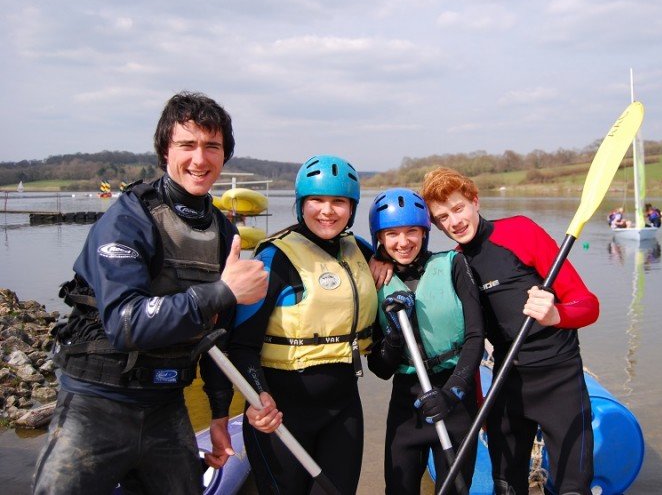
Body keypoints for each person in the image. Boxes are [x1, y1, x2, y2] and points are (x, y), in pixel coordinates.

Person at [33, 91, 270, 494]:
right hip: (97, 404)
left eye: (212, 146)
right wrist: (225, 290)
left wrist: (217, 416)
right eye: (187, 145)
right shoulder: (128, 219)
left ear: (224, 155)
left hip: (165, 404)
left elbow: (217, 337)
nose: (200, 159)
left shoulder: (223, 232)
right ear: (165, 151)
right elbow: (127, 324)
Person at [420, 167, 599, 495]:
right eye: (443, 217)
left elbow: (588, 305)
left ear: (475, 201)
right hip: (507, 382)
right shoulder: (454, 265)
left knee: (573, 488)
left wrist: (556, 313)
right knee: (505, 487)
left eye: (458, 208)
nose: (454, 221)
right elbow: (470, 342)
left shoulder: (520, 232)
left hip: (560, 379)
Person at [228, 155, 379, 495]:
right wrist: (257, 396)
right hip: (281, 413)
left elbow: (402, 264)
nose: (327, 211)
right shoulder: (274, 258)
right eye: (317, 200)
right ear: (301, 204)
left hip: (343, 410)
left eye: (339, 201)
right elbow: (241, 344)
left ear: (352, 208)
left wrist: (384, 263)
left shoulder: (361, 251)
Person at [366, 188, 484, 495]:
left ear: (424, 233)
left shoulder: (454, 265)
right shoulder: (376, 281)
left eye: (411, 232)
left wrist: (452, 392)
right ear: (379, 238)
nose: (402, 242)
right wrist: (393, 336)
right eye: (391, 233)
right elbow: (379, 368)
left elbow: (476, 338)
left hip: (455, 401)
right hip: (407, 406)